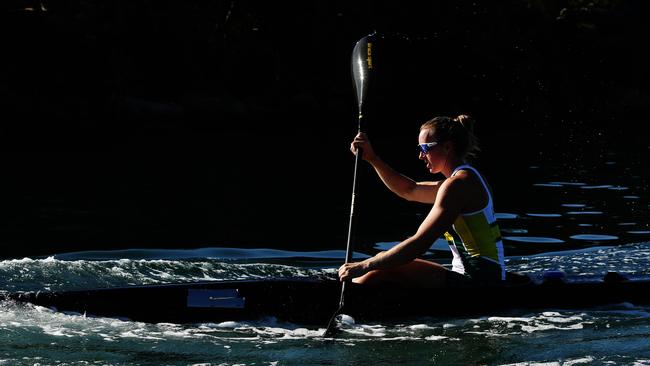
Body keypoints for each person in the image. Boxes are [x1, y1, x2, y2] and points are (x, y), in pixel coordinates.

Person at [338, 115, 505, 288]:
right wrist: (372, 159)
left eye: (425, 148)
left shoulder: (458, 185)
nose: (420, 155)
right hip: (471, 274)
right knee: (382, 259)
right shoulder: (463, 179)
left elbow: (420, 243)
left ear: (447, 147)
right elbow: (409, 190)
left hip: (481, 280)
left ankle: (353, 296)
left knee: (378, 269)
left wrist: (364, 265)